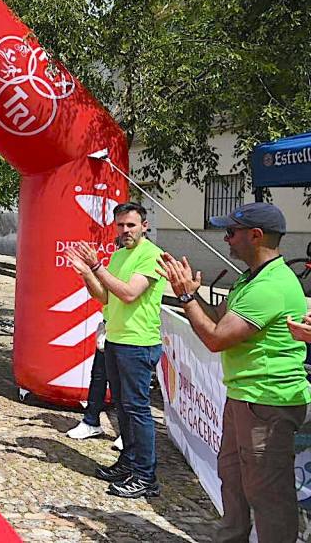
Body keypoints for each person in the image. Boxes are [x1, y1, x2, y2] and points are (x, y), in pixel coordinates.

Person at [158, 203, 310, 541]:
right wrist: (191, 294)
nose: (225, 239)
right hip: (246, 397)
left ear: (256, 236)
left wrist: (186, 297)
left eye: (231, 232)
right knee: (233, 479)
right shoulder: (250, 278)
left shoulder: (270, 286)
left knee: (268, 495)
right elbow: (217, 318)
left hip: (268, 401)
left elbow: (216, 339)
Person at [64, 202, 165, 498]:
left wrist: (96, 267)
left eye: (131, 225)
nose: (125, 230)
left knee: (137, 410)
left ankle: (146, 475)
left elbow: (130, 293)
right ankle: (129, 462)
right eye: (120, 225)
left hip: (139, 342)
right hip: (116, 339)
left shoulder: (151, 255)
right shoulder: (119, 254)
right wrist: (87, 274)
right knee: (123, 407)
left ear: (144, 226)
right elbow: (106, 297)